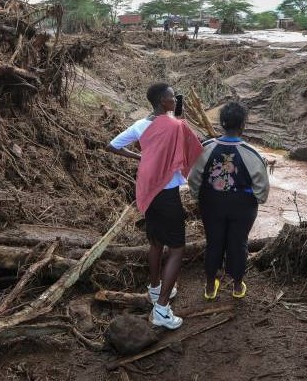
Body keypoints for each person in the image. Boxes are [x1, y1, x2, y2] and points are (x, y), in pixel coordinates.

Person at [107, 83, 203, 329]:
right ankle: (161, 310)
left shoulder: (141, 125)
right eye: (172, 96)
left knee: (155, 243)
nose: (174, 99)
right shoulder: (176, 126)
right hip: (167, 193)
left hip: (148, 190)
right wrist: (181, 124)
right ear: (163, 101)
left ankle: (155, 289)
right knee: (178, 248)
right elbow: (196, 149)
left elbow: (113, 146)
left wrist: (141, 157)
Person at [188, 101, 269, 300]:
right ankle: (237, 285)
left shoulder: (206, 148)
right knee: (239, 243)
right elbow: (262, 186)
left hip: (211, 203)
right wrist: (259, 199)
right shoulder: (252, 153)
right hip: (243, 206)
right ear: (243, 125)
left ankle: (209, 286)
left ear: (222, 124)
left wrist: (197, 196)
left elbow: (194, 177)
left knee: (214, 241)